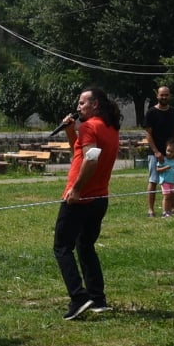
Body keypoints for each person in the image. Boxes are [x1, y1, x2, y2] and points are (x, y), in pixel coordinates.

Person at [53, 86, 121, 320]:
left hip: (81, 198)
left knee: (62, 247)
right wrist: (71, 131)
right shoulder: (110, 128)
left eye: (82, 103)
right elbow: (80, 154)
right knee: (85, 245)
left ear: (95, 105)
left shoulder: (91, 126)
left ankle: (79, 297)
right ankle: (97, 299)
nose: (78, 106)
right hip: (99, 198)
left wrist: (77, 189)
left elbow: (91, 159)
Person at [142, 85, 174, 217]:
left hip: (171, 153)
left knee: (172, 181)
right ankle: (151, 210)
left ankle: (173, 209)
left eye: (166, 95)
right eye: (162, 95)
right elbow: (148, 133)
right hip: (156, 153)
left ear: (169, 96)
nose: (164, 97)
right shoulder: (151, 112)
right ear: (157, 96)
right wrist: (156, 151)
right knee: (153, 180)